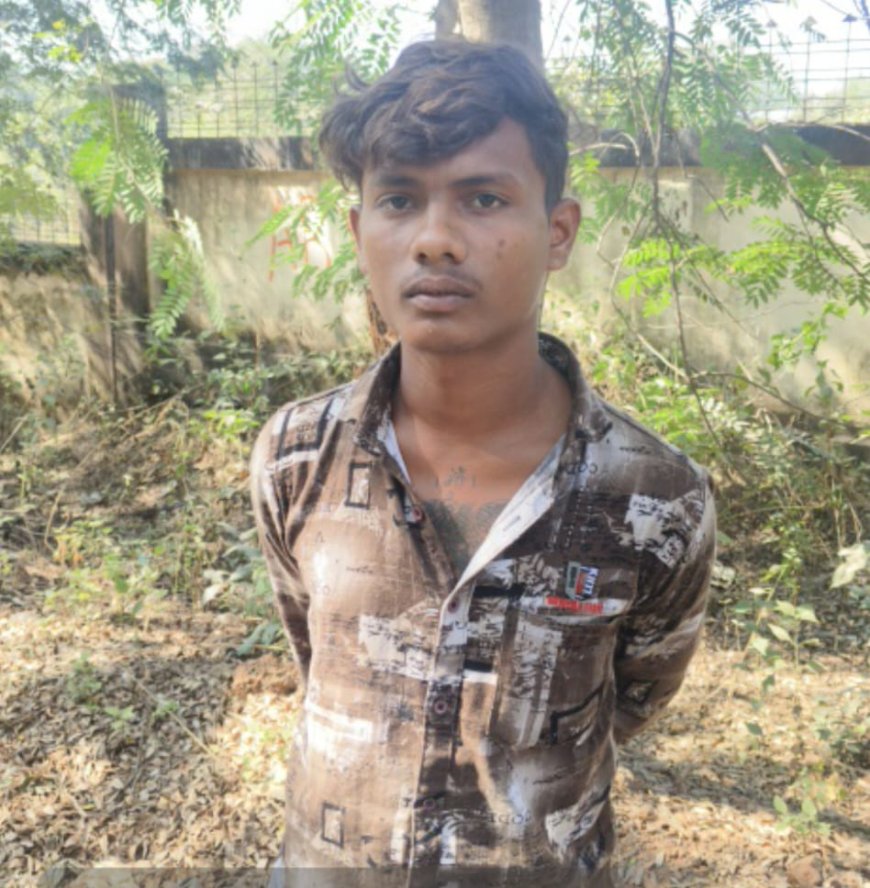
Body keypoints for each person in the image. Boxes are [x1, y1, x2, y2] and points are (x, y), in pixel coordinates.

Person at [250, 38, 716, 888]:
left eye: (484, 198)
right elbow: (313, 653)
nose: (434, 240)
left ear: (558, 232)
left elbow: (634, 699)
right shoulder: (295, 455)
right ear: (358, 232)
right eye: (399, 199)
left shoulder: (656, 499)